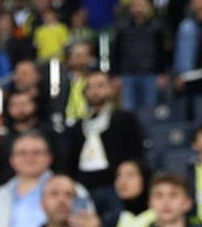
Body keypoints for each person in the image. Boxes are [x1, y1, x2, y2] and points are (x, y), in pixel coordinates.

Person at [58, 70, 146, 217]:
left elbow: (136, 154)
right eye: (90, 87)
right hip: (82, 190)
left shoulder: (125, 119)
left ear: (111, 89)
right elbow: (69, 160)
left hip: (114, 188)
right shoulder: (77, 127)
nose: (95, 91)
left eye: (100, 85)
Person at [107, 160, 155, 227]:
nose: (122, 181)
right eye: (118, 176)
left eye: (130, 175)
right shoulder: (111, 220)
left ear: (145, 179)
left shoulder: (160, 218)